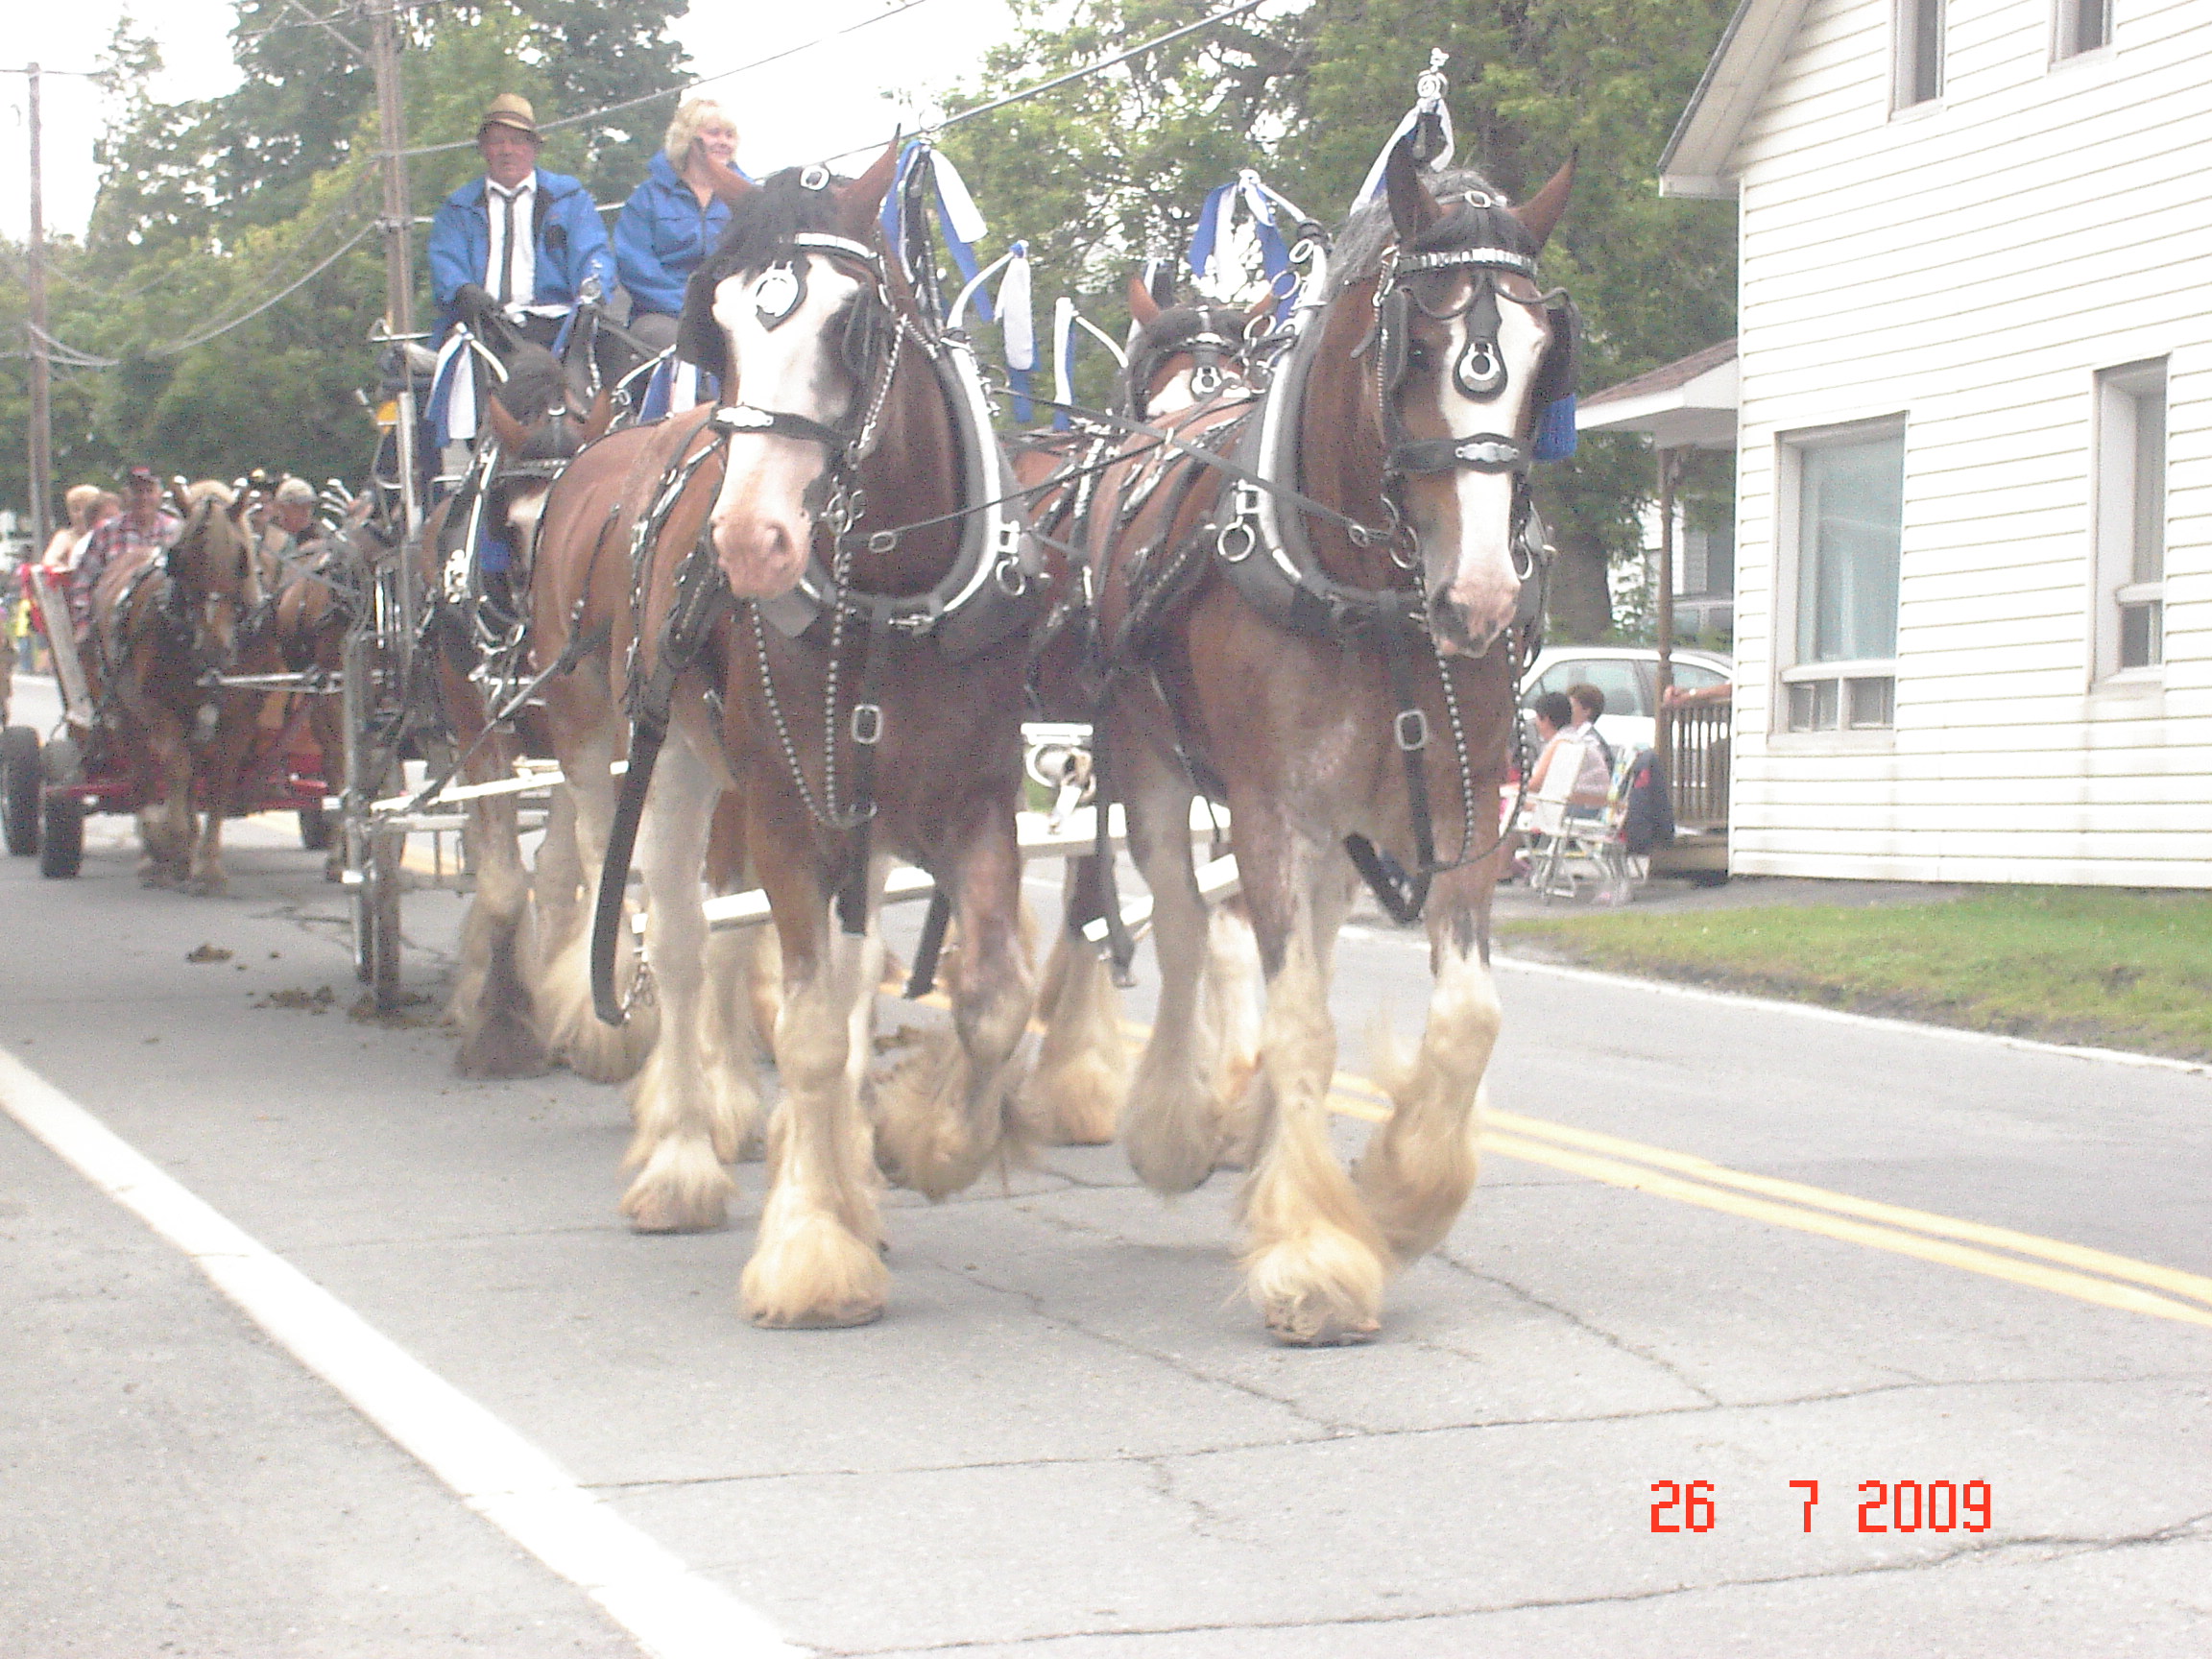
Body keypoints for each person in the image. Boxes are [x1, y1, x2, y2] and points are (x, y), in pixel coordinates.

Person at [426, 94, 616, 350]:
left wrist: (591, 294)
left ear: (534, 148)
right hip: (482, 326)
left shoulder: (569, 199)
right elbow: (446, 264)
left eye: (517, 142)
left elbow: (593, 254)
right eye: (496, 142)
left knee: (617, 352)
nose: (507, 151)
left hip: (557, 324)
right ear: (483, 148)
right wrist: (464, 291)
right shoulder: (459, 208)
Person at [613, 98, 750, 359]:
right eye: (713, 133)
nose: (723, 141)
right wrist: (692, 308)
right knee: (676, 345)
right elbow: (636, 267)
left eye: (729, 135)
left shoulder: (750, 199)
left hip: (735, 311)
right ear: (687, 139)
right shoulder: (647, 198)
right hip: (664, 314)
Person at [70, 466, 180, 637]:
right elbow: (83, 583)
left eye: (149, 491)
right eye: (137, 492)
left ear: (160, 495)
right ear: (126, 496)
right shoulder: (106, 532)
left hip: (168, 628)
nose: (143, 498)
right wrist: (84, 626)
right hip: (116, 630)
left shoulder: (176, 531)